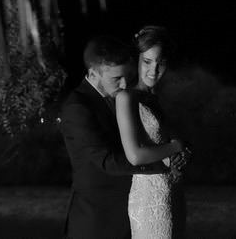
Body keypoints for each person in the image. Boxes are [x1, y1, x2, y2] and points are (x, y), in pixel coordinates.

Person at [60, 35, 169, 239]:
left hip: (133, 211)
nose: (124, 83)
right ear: (93, 75)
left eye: (127, 75)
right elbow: (108, 161)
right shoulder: (78, 108)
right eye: (116, 78)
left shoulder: (125, 97)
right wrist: (163, 164)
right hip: (97, 221)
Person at [117, 25, 189, 238]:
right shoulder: (126, 98)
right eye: (147, 61)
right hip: (149, 198)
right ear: (136, 60)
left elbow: (168, 142)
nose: (154, 70)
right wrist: (175, 146)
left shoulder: (160, 99)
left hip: (173, 191)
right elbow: (135, 155)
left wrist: (183, 154)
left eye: (161, 63)